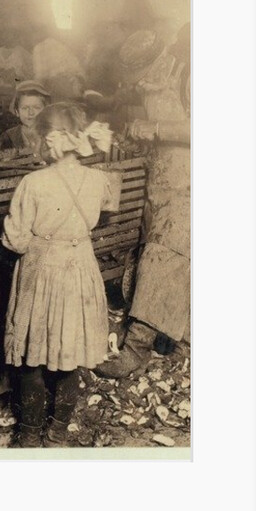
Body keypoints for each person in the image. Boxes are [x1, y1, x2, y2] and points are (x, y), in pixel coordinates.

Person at [1, 103, 119, 447]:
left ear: (48, 139)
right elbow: (106, 214)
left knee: (32, 359)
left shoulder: (33, 182)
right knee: (70, 357)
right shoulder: (97, 179)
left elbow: (15, 240)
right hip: (81, 269)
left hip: (43, 272)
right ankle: (57, 436)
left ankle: (28, 437)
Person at [95, 23, 191, 379]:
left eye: (143, 75)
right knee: (170, 260)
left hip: (190, 186)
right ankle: (178, 338)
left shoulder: (189, 74)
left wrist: (157, 129)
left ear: (160, 60)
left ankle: (136, 350)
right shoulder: (155, 80)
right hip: (164, 183)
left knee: (161, 261)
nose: (139, 83)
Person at [0, 80, 51, 154]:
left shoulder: (52, 134)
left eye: (36, 107)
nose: (31, 113)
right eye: (25, 108)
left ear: (45, 110)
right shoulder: (8, 137)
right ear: (17, 112)